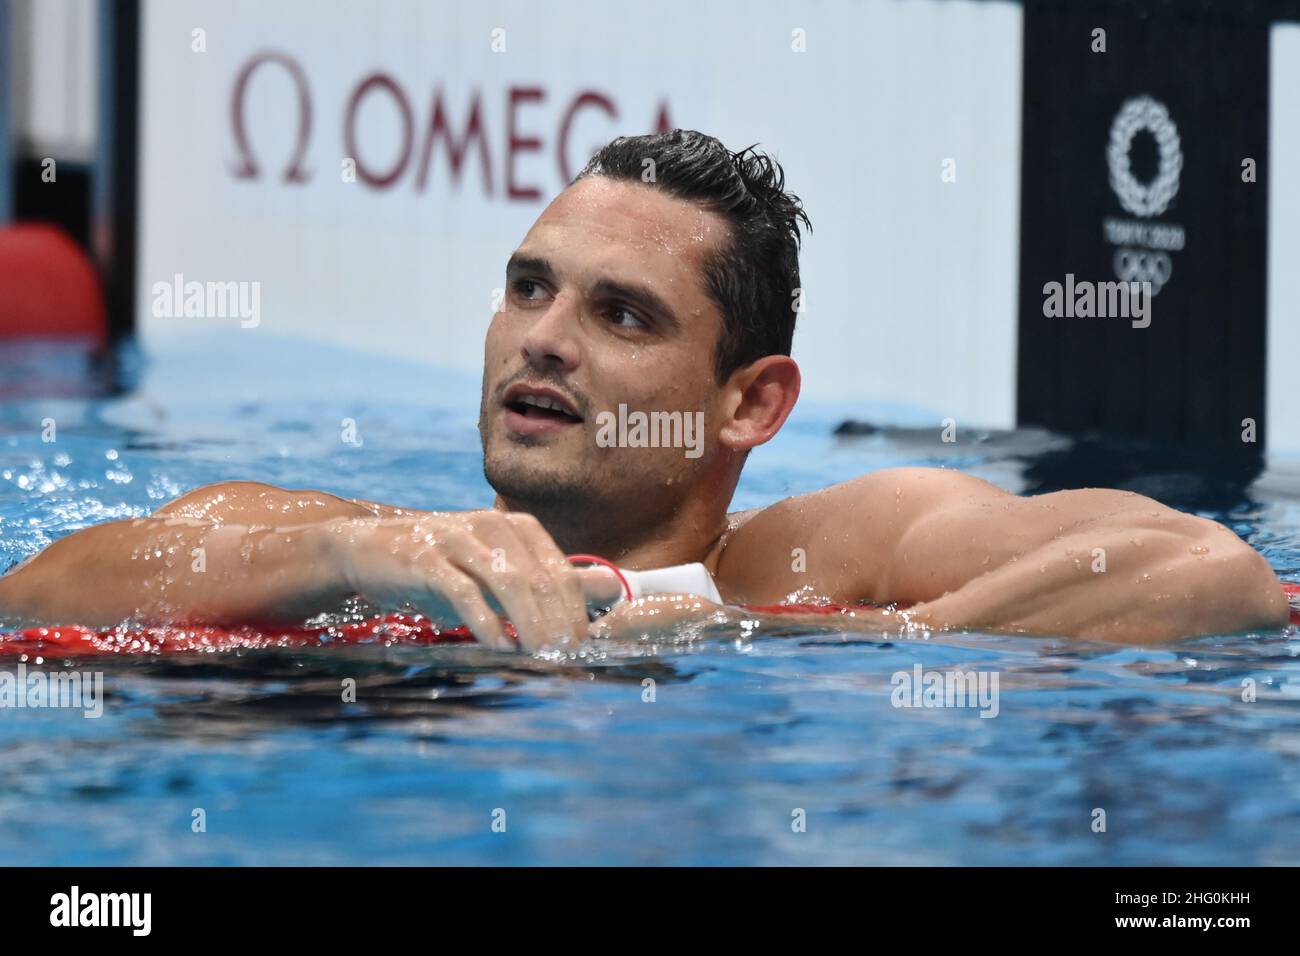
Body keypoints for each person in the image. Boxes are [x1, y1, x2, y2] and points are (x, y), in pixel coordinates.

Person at [0, 130, 1287, 650]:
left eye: (620, 313)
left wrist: (827, 643)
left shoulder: (812, 561)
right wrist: (354, 547)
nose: (542, 340)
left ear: (749, 404)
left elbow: (1210, 572)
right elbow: (35, 596)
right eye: (528, 287)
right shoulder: (351, 547)